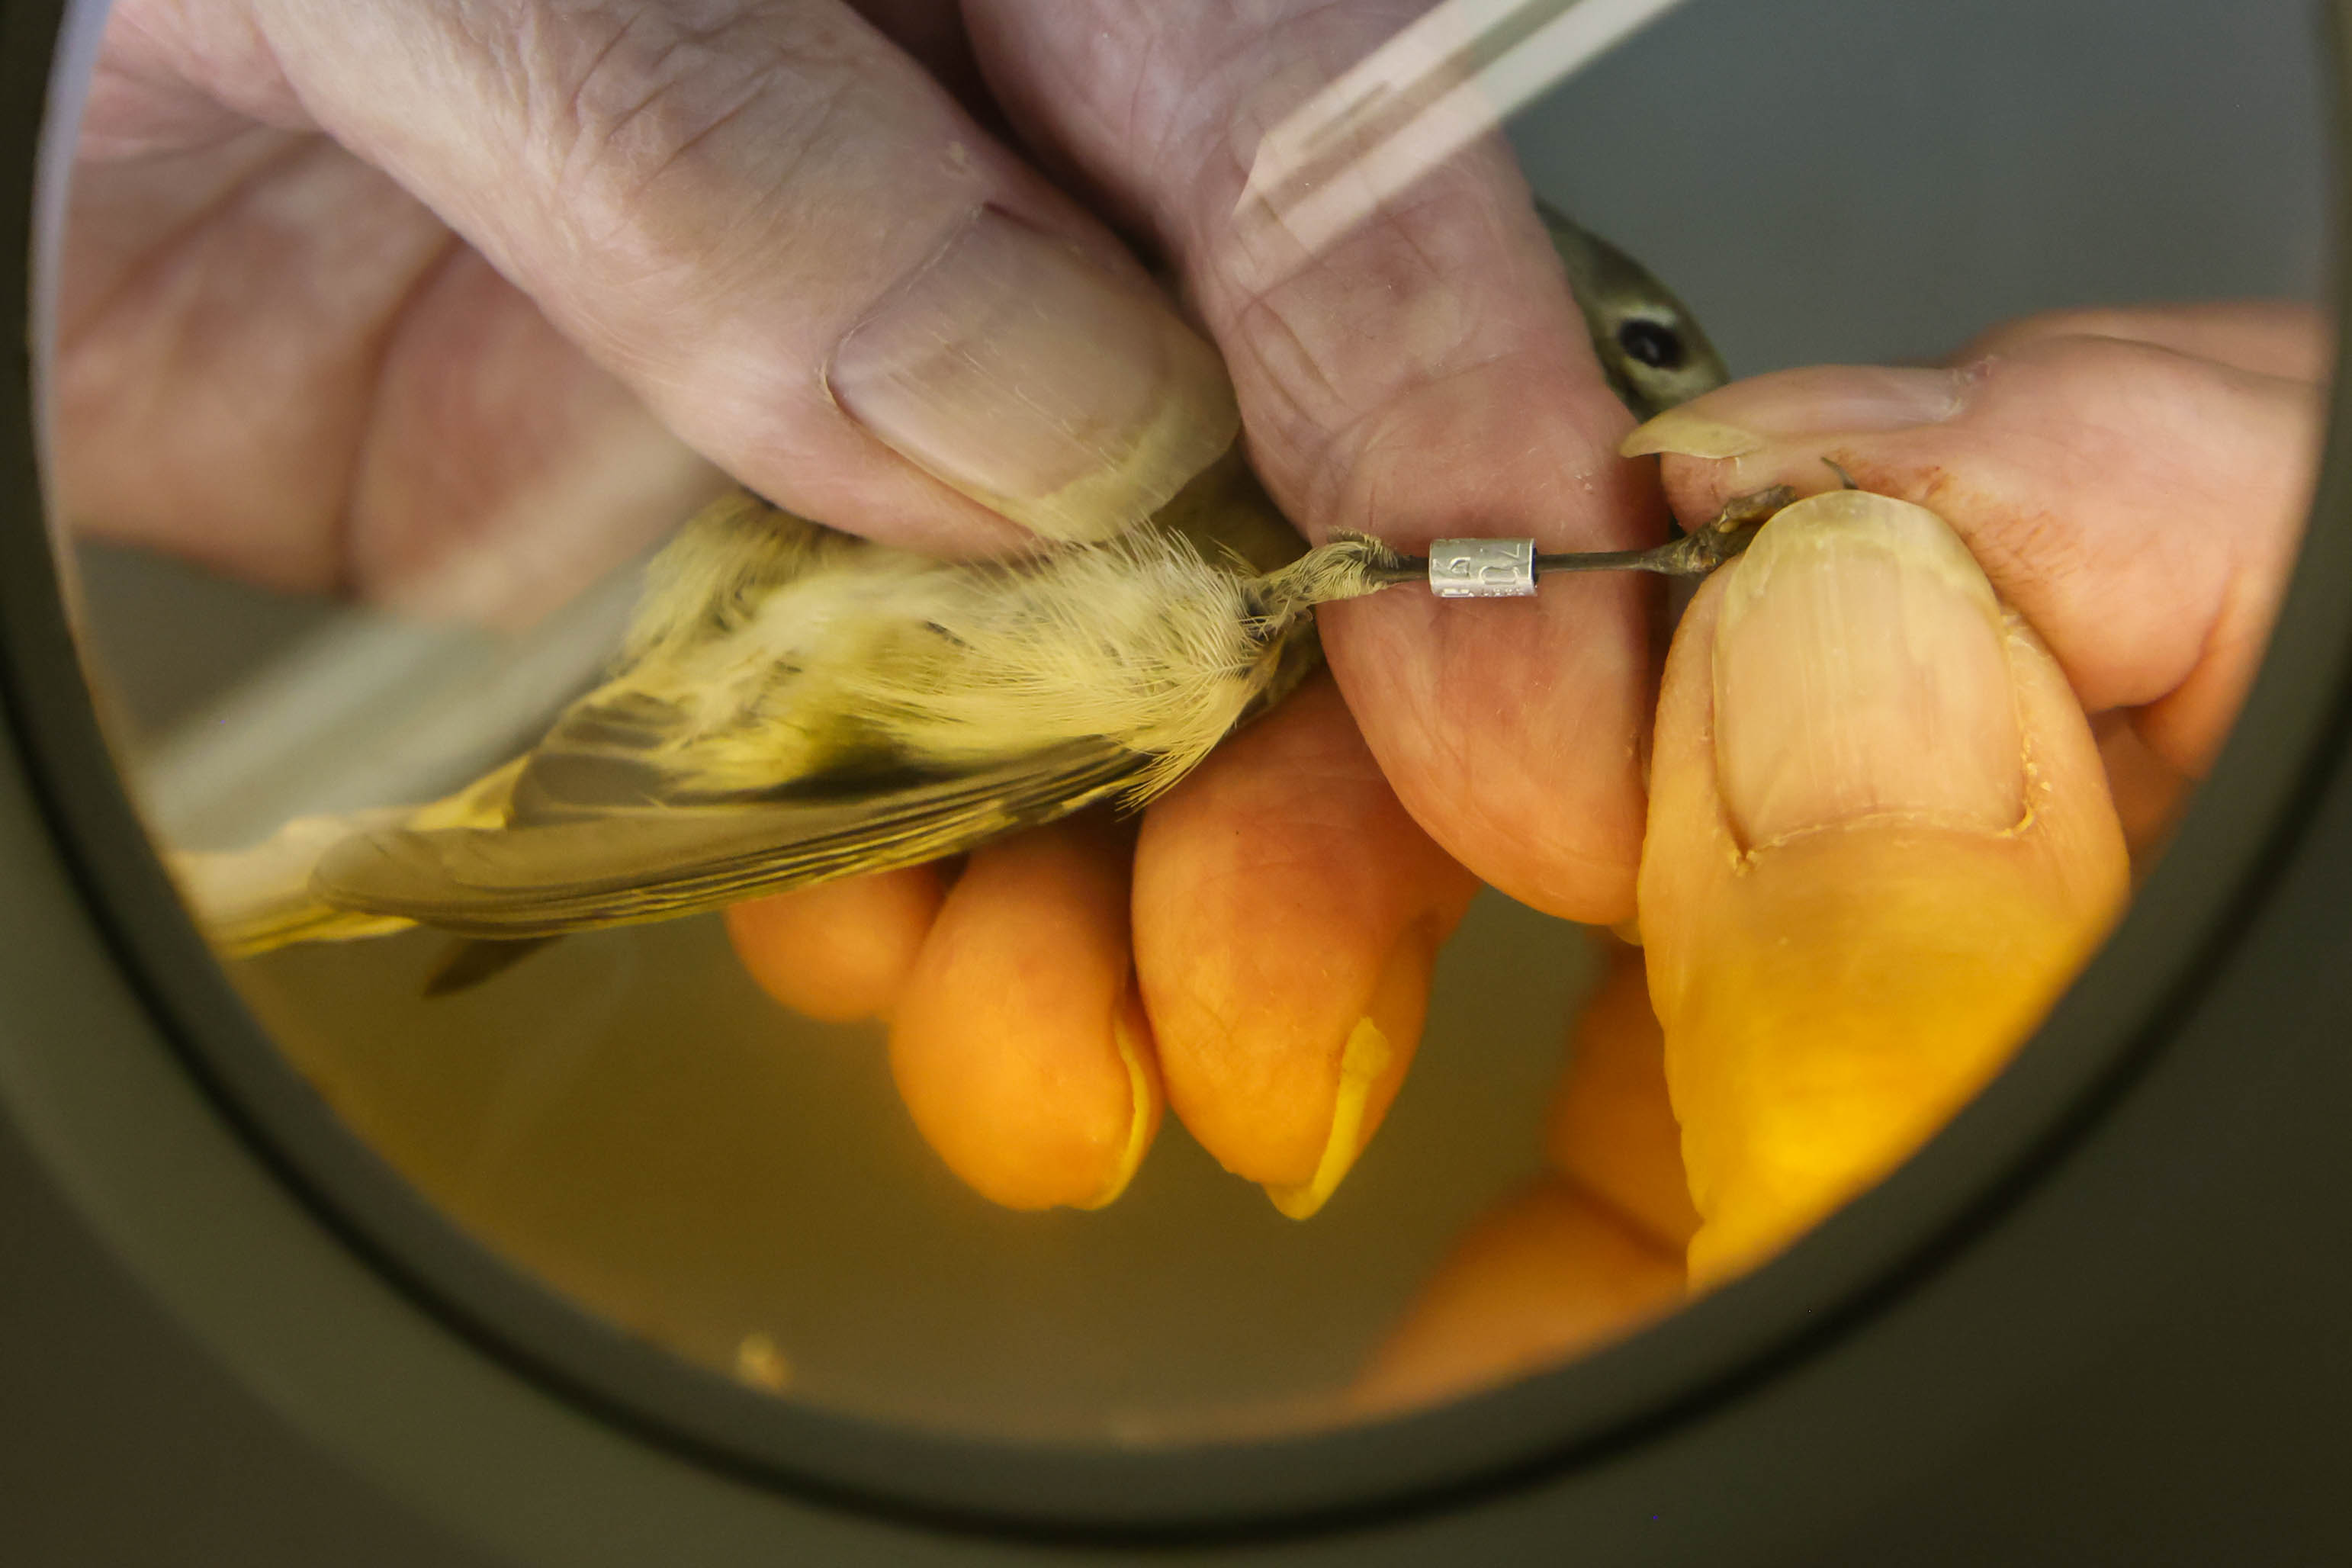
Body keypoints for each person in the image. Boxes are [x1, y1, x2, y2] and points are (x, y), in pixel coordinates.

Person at [60, 2, 2326, 1367]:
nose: (1645, 437)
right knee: (1165, 676)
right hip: (701, 508)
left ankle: (341, 868)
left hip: (702, 556)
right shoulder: (1287, 403)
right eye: (1641, 354)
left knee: (1153, 713)